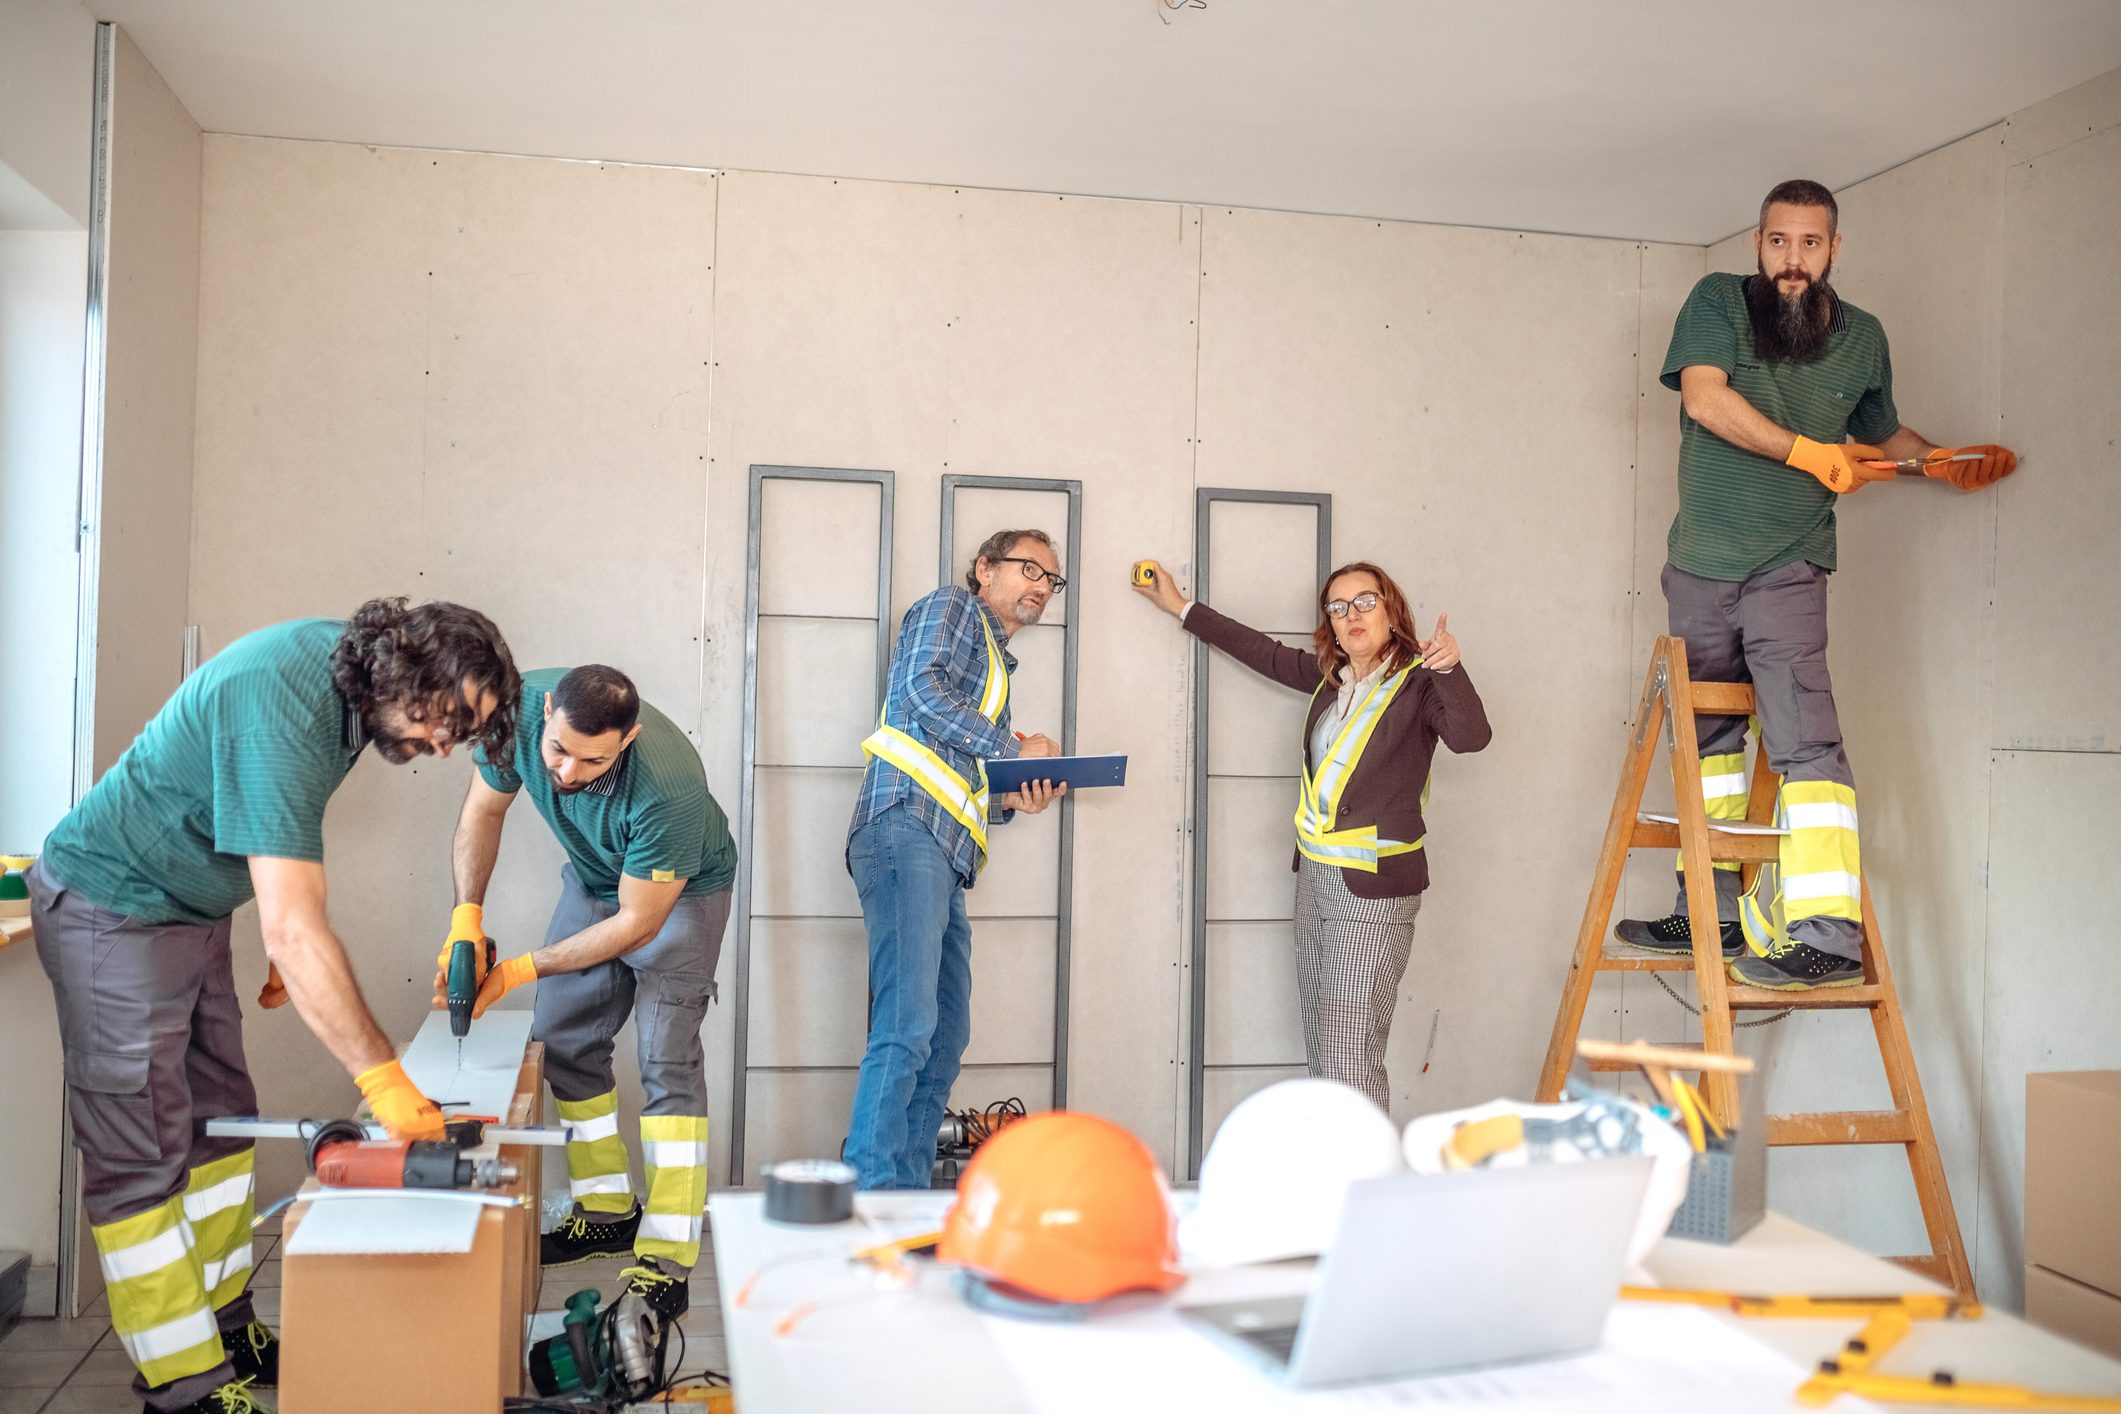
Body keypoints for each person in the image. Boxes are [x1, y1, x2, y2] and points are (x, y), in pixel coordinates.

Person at [26, 598, 518, 1414]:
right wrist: (382, 1078)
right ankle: (184, 1384)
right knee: (141, 1154)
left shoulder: (352, 687)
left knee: (220, 1121)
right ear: (408, 670)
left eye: (464, 733)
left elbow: (270, 829)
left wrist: (294, 936)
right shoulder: (281, 703)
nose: (444, 744)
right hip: (112, 911)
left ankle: (228, 1326)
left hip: (187, 913)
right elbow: (295, 918)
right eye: (450, 718)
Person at [1616, 178, 2017, 990]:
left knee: (1806, 743)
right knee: (1707, 747)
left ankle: (1826, 937)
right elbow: (1704, 401)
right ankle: (1712, 913)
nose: (1789, 260)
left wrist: (1943, 464)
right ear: (1757, 245)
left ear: (1834, 249)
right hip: (1698, 564)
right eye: (1776, 242)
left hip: (1788, 566)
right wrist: (1807, 453)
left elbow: (1877, 436)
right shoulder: (1717, 303)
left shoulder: (1863, 337)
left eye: (1807, 243)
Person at [1134, 558, 1490, 1109]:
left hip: (1373, 886)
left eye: (1366, 602)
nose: (1353, 615)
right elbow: (1262, 651)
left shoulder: (1419, 683)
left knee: (1350, 1049)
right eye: (1338, 607)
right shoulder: (1333, 680)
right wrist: (1179, 605)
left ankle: (1365, 1183)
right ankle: (1336, 1176)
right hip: (1316, 878)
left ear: (1392, 608)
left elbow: (1471, 737)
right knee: (1325, 1042)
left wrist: (1450, 669)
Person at [438, 664, 735, 1322]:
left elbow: (637, 924)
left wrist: (516, 970)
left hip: (675, 895)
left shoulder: (669, 790)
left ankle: (666, 1256)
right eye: (558, 751)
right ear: (545, 712)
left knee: (666, 1061)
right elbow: (483, 810)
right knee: (564, 1035)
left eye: (591, 761)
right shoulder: (510, 714)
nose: (567, 774)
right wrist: (467, 920)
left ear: (626, 741)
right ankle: (605, 1211)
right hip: (596, 878)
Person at [843, 530, 1067, 1189]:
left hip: (940, 847)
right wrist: (1009, 748)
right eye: (1028, 568)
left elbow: (959, 771)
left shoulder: (997, 669)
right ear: (983, 569)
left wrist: (1015, 796)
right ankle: (869, 1193)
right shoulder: (950, 608)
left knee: (942, 1039)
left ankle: (907, 1198)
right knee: (908, 1025)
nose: (1039, 585)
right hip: (903, 827)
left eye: (1050, 580)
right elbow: (918, 689)